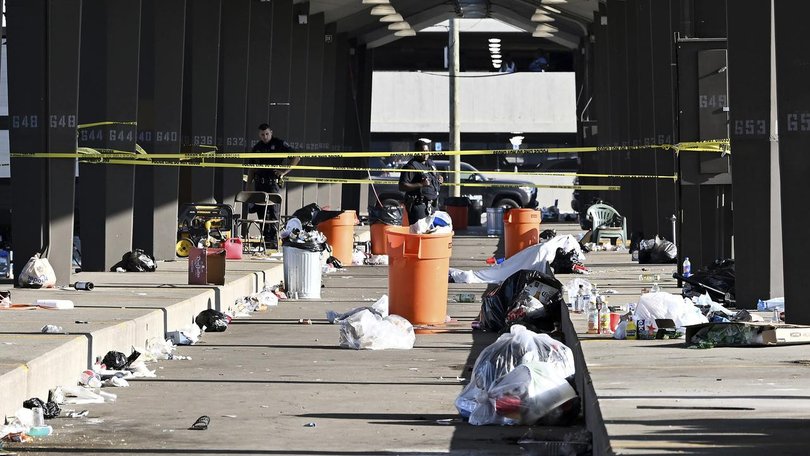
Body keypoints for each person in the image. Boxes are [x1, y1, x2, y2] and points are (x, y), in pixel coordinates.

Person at [246, 123, 300, 249]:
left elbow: (296, 157)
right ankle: (266, 242)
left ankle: (274, 242)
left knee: (273, 213)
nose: (265, 137)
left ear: (271, 132)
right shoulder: (257, 148)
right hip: (259, 184)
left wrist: (284, 171)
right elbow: (251, 169)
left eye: (267, 134)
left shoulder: (279, 144)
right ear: (259, 135)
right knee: (261, 213)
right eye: (262, 134)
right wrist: (248, 186)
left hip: (272, 184)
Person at [399, 139, 443, 233]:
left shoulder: (430, 164)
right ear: (417, 152)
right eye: (423, 152)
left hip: (433, 205)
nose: (426, 154)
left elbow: (436, 176)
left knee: (434, 232)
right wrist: (420, 184)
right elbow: (402, 186)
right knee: (420, 233)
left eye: (427, 151)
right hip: (419, 205)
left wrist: (439, 178)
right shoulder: (411, 166)